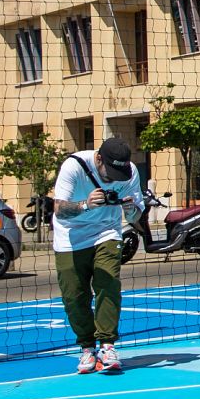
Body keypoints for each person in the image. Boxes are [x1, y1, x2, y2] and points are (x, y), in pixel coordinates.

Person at [52, 137, 147, 374]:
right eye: (111, 172)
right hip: (70, 236)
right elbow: (59, 210)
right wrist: (85, 205)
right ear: (99, 159)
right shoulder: (74, 166)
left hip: (107, 232)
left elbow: (136, 217)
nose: (115, 178)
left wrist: (130, 209)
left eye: (120, 173)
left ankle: (107, 345)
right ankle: (87, 348)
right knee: (74, 296)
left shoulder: (130, 172)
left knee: (108, 282)